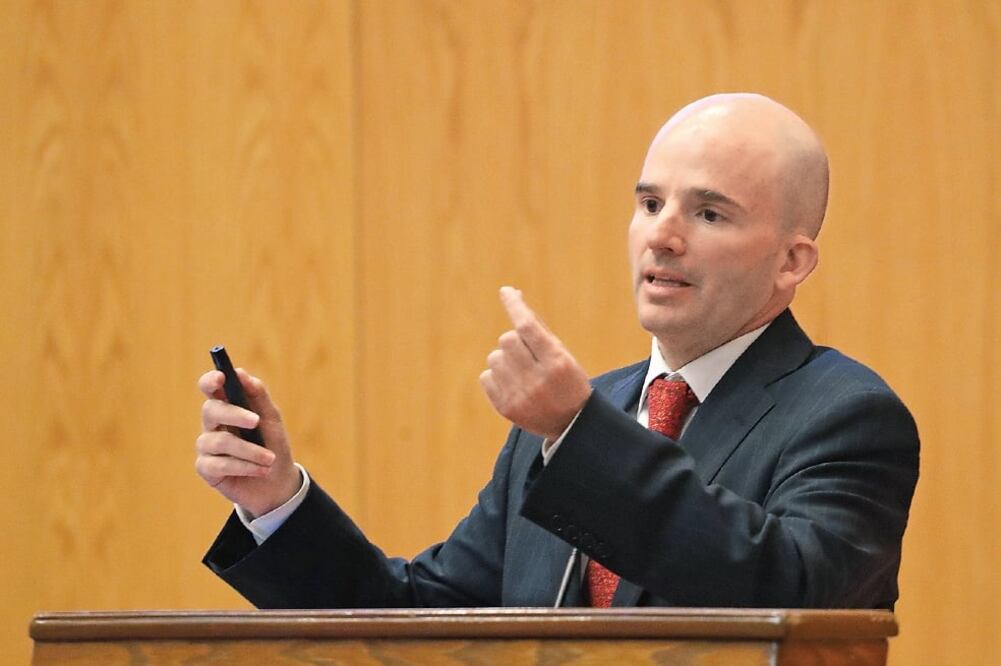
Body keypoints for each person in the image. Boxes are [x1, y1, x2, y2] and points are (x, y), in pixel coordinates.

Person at [196, 93, 919, 609]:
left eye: (707, 212)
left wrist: (578, 435)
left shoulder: (846, 416)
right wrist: (278, 502)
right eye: (648, 204)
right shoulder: (579, 419)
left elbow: (785, 590)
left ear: (791, 263)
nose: (662, 236)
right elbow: (426, 617)